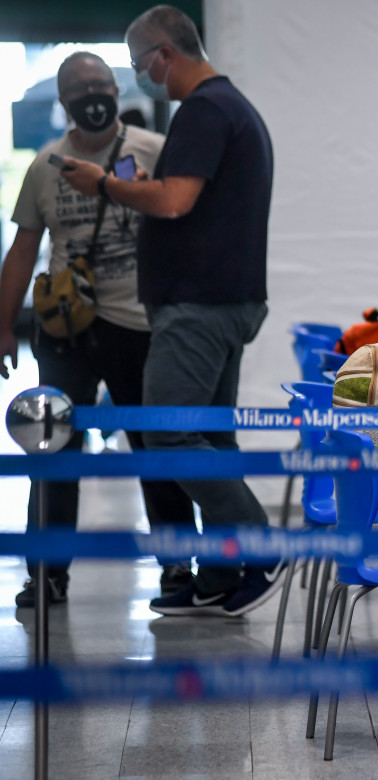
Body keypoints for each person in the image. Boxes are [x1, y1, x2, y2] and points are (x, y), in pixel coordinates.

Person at [60, 5, 280, 617]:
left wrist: (102, 184)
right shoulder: (230, 108)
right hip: (220, 301)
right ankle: (216, 572)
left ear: (165, 54)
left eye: (137, 66)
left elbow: (176, 200)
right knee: (209, 435)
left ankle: (260, 544)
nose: (138, 79)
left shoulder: (206, 111)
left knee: (166, 432)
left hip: (200, 308)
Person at [0, 51, 196, 607]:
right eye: (79, 87)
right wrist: (1, 328)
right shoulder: (45, 166)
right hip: (67, 328)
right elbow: (22, 252)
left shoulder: (154, 153)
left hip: (141, 324)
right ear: (63, 102)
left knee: (154, 446)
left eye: (100, 83)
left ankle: (178, 566)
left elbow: (185, 228)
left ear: (117, 89)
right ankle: (48, 574)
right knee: (55, 449)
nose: (92, 94)